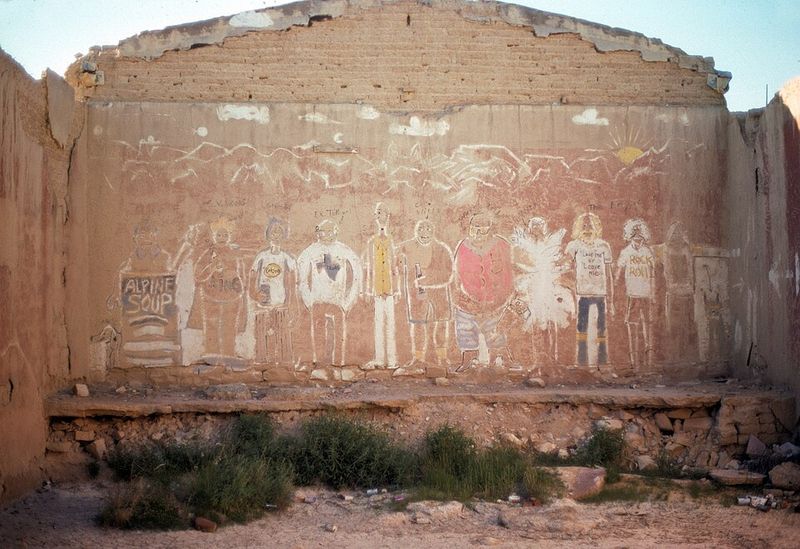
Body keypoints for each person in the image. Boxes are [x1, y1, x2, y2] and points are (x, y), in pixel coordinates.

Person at [297, 219, 362, 366]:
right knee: (319, 333)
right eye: (323, 231)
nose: (326, 234)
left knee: (338, 334)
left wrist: (348, 301)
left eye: (330, 231)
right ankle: (320, 365)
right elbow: (301, 277)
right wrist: (308, 300)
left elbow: (357, 272)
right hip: (317, 301)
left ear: (336, 232)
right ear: (318, 233)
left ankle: (337, 365)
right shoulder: (311, 251)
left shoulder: (344, 250)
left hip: (338, 302)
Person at [453, 212, 513, 367]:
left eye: (482, 230)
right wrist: (463, 297)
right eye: (474, 229)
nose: (478, 234)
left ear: (490, 230)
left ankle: (499, 358)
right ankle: (469, 359)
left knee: (494, 328)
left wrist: (500, 298)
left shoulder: (501, 244)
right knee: (465, 328)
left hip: (495, 300)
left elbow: (509, 274)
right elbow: (456, 274)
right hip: (467, 300)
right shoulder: (463, 246)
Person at [397, 219, 454, 368]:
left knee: (441, 323)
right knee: (418, 323)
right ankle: (418, 358)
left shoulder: (442, 250)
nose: (424, 233)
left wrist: (427, 278)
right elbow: (394, 254)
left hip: (439, 292)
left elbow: (449, 273)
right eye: (420, 229)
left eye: (428, 230)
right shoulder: (407, 247)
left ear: (433, 232)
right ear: (416, 232)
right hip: (417, 292)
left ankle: (442, 357)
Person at [565, 212, 614, 365]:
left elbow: (609, 274)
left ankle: (602, 359)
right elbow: (567, 268)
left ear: (596, 227)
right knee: (582, 327)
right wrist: (571, 290)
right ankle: (581, 360)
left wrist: (611, 299)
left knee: (601, 327)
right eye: (584, 226)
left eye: (590, 226)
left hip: (600, 293)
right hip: (582, 293)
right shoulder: (574, 246)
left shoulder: (603, 246)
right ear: (578, 228)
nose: (587, 229)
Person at [193, 218, 246, 358]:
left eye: (225, 235)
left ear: (230, 236)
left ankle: (229, 353)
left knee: (230, 326)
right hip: (211, 295)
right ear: (213, 236)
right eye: (219, 235)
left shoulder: (234, 253)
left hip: (231, 296)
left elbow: (241, 275)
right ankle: (212, 353)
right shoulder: (208, 253)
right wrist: (211, 267)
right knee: (211, 324)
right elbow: (198, 275)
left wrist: (239, 289)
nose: (222, 238)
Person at [249, 217, 296, 364]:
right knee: (262, 333)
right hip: (263, 302)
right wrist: (254, 294)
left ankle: (284, 362)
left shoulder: (287, 257)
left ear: (284, 235)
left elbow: (293, 281)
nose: (276, 235)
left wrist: (290, 301)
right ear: (268, 234)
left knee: (282, 334)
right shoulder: (262, 256)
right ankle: (261, 361)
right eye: (273, 231)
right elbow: (252, 276)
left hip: (280, 302)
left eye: (279, 232)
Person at [362, 203, 399, 369]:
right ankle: (379, 359)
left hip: (389, 290)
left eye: (382, 213)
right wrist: (367, 290)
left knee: (390, 325)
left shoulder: (392, 241)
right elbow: (368, 267)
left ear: (388, 216)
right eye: (377, 213)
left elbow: (395, 267)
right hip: (377, 290)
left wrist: (397, 290)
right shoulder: (372, 242)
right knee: (378, 325)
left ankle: (391, 361)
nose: (379, 216)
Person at [615, 218, 655, 367]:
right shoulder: (625, 252)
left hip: (646, 295)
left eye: (640, 233)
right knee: (632, 325)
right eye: (634, 233)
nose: (638, 236)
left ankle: (648, 361)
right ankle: (634, 362)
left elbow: (653, 274)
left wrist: (653, 293)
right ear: (630, 235)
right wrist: (616, 289)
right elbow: (618, 273)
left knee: (647, 326)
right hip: (632, 295)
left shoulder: (647, 251)